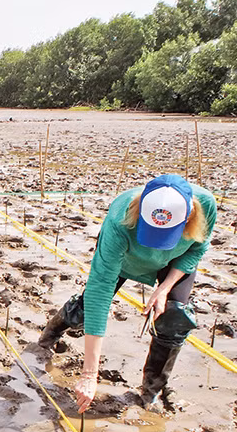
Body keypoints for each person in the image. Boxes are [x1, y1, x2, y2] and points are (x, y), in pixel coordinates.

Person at [38, 175, 217, 413]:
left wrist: (165, 288)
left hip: (173, 263)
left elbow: (197, 249)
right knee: (87, 309)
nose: (155, 245)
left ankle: (152, 391)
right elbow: (100, 290)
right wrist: (90, 374)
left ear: (188, 216)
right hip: (126, 261)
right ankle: (50, 334)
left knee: (175, 317)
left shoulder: (205, 205)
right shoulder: (120, 219)